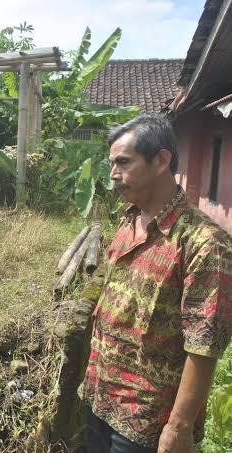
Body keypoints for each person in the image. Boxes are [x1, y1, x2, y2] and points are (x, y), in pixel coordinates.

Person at [80, 114, 231, 453]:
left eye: (124, 163)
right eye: (112, 164)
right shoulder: (129, 219)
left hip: (147, 422)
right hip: (98, 397)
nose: (113, 175)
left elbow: (204, 346)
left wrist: (178, 426)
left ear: (162, 161)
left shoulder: (204, 243)